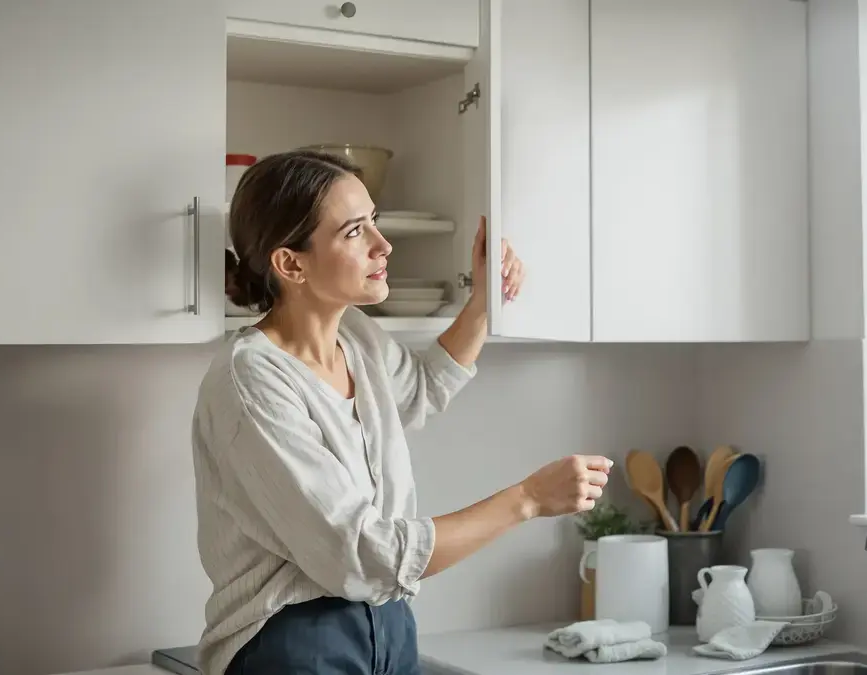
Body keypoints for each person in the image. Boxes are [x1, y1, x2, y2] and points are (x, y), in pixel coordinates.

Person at [190, 149, 613, 675]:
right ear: (290, 263)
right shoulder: (252, 379)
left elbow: (419, 389)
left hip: (389, 627)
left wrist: (481, 302)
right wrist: (526, 499)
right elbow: (359, 554)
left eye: (375, 221)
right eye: (353, 232)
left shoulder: (357, 337)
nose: (382, 245)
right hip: (291, 643)